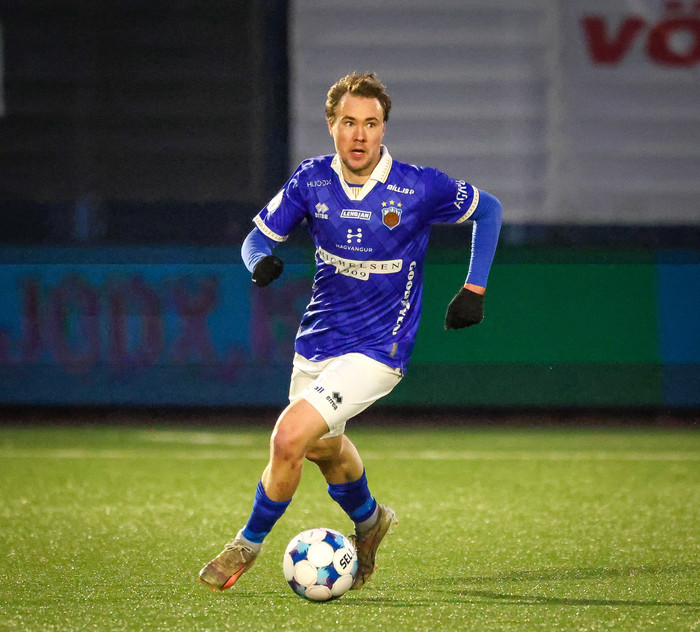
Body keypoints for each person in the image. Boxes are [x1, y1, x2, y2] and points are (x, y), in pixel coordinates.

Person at [198, 71, 502, 592]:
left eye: (371, 123)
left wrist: (474, 288)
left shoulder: (418, 186)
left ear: (384, 129)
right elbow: (255, 241)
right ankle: (371, 520)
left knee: (289, 437)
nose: (360, 135)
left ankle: (245, 545)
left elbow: (488, 209)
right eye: (348, 122)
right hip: (319, 338)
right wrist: (259, 263)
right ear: (331, 126)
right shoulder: (311, 180)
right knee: (323, 449)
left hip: (380, 347)